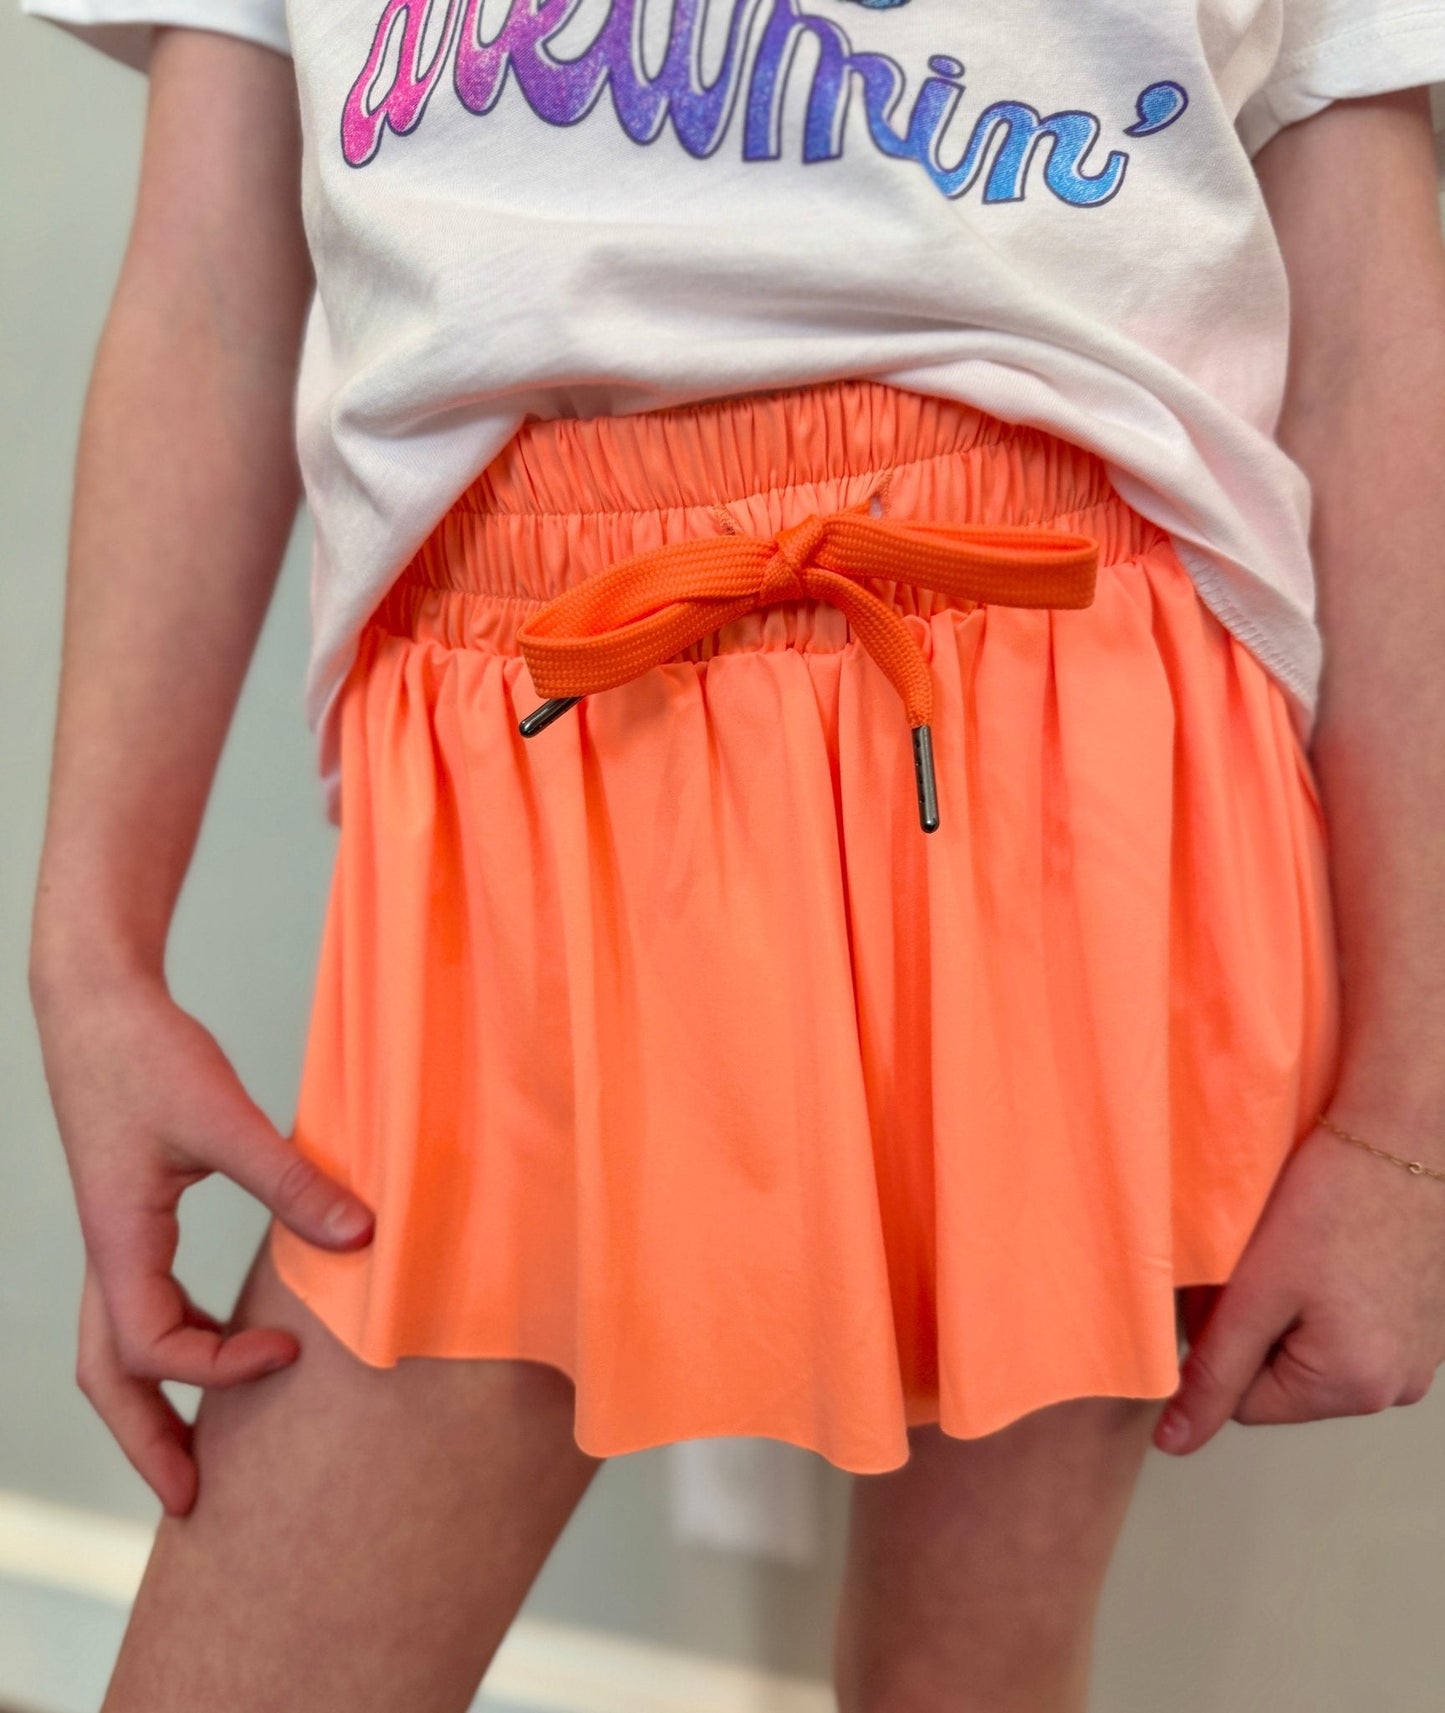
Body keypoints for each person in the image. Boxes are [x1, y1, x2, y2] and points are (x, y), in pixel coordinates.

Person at [17, 0, 1445, 1706]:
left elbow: (1373, 324)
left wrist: (1410, 1121)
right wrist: (90, 955)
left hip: (1069, 716)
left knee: (964, 1674)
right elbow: (206, 296)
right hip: (538, 729)